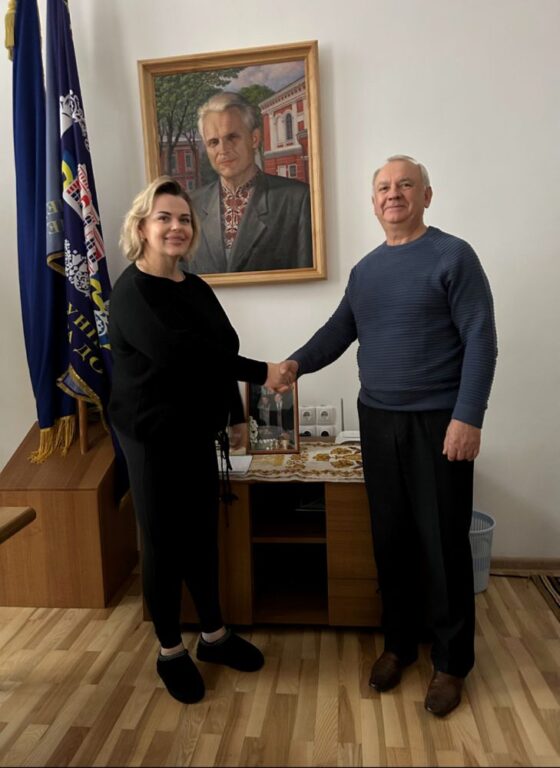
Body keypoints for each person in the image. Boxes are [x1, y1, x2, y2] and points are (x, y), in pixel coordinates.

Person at [278, 155, 497, 717]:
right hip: (377, 422)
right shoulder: (366, 271)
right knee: (391, 539)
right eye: (383, 187)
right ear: (373, 201)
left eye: (405, 185)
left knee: (444, 545)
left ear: (427, 195)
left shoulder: (453, 256)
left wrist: (468, 416)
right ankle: (399, 644)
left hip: (439, 423)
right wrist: (295, 364)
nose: (393, 193)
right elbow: (338, 331)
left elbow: (481, 339)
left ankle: (451, 662)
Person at [108, 176, 290, 704]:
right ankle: (170, 650)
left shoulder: (196, 287)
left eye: (184, 219)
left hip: (193, 432)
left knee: (202, 537)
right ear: (142, 227)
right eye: (164, 217)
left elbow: (218, 353)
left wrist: (234, 414)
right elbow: (182, 355)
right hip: (150, 437)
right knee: (163, 544)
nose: (176, 227)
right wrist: (263, 372)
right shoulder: (131, 293)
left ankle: (213, 636)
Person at [185, 91, 313, 275]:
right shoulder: (191, 205)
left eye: (232, 137)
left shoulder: (297, 199)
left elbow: (308, 279)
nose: (223, 150)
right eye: (213, 142)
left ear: (254, 139)